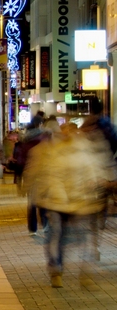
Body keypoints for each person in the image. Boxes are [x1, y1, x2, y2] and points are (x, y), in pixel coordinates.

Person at [24, 121, 111, 288]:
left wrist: (94, 183)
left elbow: (91, 170)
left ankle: (85, 272)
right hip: (57, 203)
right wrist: (61, 197)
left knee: (82, 236)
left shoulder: (83, 149)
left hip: (79, 202)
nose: (69, 134)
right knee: (57, 235)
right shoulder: (52, 151)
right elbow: (51, 177)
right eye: (66, 131)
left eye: (72, 131)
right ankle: (56, 269)